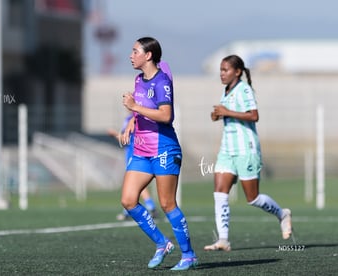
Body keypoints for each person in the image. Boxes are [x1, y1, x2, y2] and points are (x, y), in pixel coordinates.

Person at [120, 37, 198, 270]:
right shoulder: (138, 79)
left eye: (135, 51)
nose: (130, 55)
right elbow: (141, 110)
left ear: (148, 55)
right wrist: (132, 122)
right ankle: (162, 243)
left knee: (167, 204)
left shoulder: (161, 81)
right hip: (141, 149)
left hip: (163, 148)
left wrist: (134, 107)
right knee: (128, 200)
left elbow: (165, 116)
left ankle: (189, 255)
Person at [204, 54, 292, 252]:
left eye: (225, 70)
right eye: (220, 70)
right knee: (219, 193)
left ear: (237, 72)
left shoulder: (244, 89)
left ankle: (282, 214)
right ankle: (223, 240)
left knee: (252, 198)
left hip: (246, 149)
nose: (222, 74)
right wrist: (217, 115)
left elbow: (254, 115)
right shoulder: (226, 91)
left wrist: (226, 112)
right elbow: (226, 113)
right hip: (227, 149)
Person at [106, 114, 158, 221]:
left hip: (135, 154)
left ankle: (141, 209)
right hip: (132, 153)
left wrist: (114, 133)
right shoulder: (129, 118)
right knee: (135, 184)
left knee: (132, 183)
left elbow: (127, 139)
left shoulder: (136, 118)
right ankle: (148, 207)